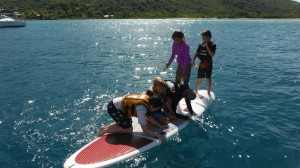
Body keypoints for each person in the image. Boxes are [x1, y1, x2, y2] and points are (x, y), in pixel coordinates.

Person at [97, 94, 166, 142]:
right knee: (129, 129)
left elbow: (149, 117)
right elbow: (145, 129)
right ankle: (104, 131)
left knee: (125, 122)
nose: (156, 110)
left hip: (116, 105)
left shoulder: (148, 100)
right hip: (114, 108)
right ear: (152, 106)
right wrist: (158, 135)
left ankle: (104, 128)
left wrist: (159, 125)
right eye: (156, 109)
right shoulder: (142, 109)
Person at [192, 29, 216, 96]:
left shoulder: (213, 45)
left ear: (210, 37)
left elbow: (211, 54)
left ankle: (208, 91)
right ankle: (196, 90)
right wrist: (193, 60)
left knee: (208, 77)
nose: (204, 39)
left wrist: (207, 46)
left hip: (208, 63)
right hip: (202, 64)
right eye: (203, 38)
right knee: (199, 77)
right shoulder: (200, 44)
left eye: (206, 38)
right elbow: (196, 53)